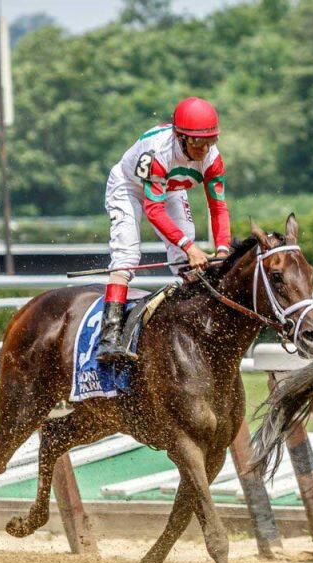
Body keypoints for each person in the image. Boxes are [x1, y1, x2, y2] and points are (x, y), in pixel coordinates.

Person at [97, 96, 232, 364]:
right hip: (128, 188)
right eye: (196, 142)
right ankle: (109, 336)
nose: (204, 149)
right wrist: (190, 247)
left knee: (186, 263)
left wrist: (223, 249)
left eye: (210, 141)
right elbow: (153, 211)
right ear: (180, 138)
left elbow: (218, 208)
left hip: (170, 188)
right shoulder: (158, 152)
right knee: (127, 258)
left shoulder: (213, 160)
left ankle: (191, 323)